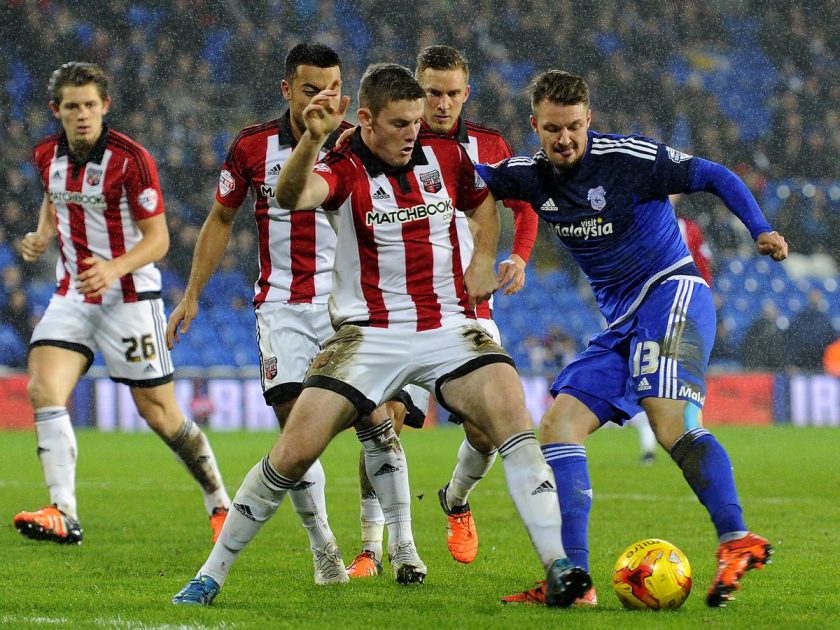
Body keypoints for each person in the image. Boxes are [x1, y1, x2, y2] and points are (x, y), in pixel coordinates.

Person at [172, 63, 591, 608]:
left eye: (417, 121)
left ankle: (556, 566)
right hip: (370, 335)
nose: (414, 132)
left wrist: (485, 258)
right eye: (399, 123)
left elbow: (481, 202)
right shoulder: (342, 166)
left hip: (449, 326)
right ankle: (211, 574)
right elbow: (293, 193)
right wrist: (315, 137)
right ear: (366, 120)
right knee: (294, 452)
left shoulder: (446, 156)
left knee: (512, 416)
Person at [474, 70, 787, 608]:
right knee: (559, 426)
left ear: (589, 120)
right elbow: (462, 177)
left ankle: (737, 539)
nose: (565, 139)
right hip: (621, 323)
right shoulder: (528, 175)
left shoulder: (629, 159)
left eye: (574, 127)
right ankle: (575, 581)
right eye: (553, 130)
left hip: (671, 292)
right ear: (535, 127)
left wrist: (758, 226)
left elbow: (713, 174)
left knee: (669, 424)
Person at [14, 62, 231, 546]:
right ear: (58, 111)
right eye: (73, 106)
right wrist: (42, 234)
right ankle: (63, 511)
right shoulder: (46, 153)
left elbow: (158, 240)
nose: (83, 114)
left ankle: (219, 501)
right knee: (43, 388)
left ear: (105, 106)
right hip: (72, 294)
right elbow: (54, 198)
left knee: (160, 414)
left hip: (130, 299)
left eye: (91, 104)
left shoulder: (131, 159)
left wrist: (113, 268)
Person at [344, 45, 539, 578]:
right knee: (385, 424)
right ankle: (372, 544)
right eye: (433, 92)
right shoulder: (389, 143)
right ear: (417, 89)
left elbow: (524, 208)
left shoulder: (489, 145)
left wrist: (518, 255)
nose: (443, 103)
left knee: (485, 432)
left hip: (469, 313)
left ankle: (455, 499)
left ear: (466, 93)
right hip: (400, 313)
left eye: (453, 93)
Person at [632, 203, 714, 466]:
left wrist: (701, 305)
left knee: (688, 380)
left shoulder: (688, 228)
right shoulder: (635, 220)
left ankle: (695, 434)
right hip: (647, 313)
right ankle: (653, 442)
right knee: (645, 381)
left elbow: (703, 269)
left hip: (685, 312)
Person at [785, 289, 837, 371]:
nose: (815, 299)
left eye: (817, 297)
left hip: (819, 365)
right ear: (809, 298)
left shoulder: (825, 320)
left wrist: (827, 363)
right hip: (800, 365)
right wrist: (791, 362)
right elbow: (791, 339)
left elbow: (831, 342)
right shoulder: (800, 318)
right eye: (813, 296)